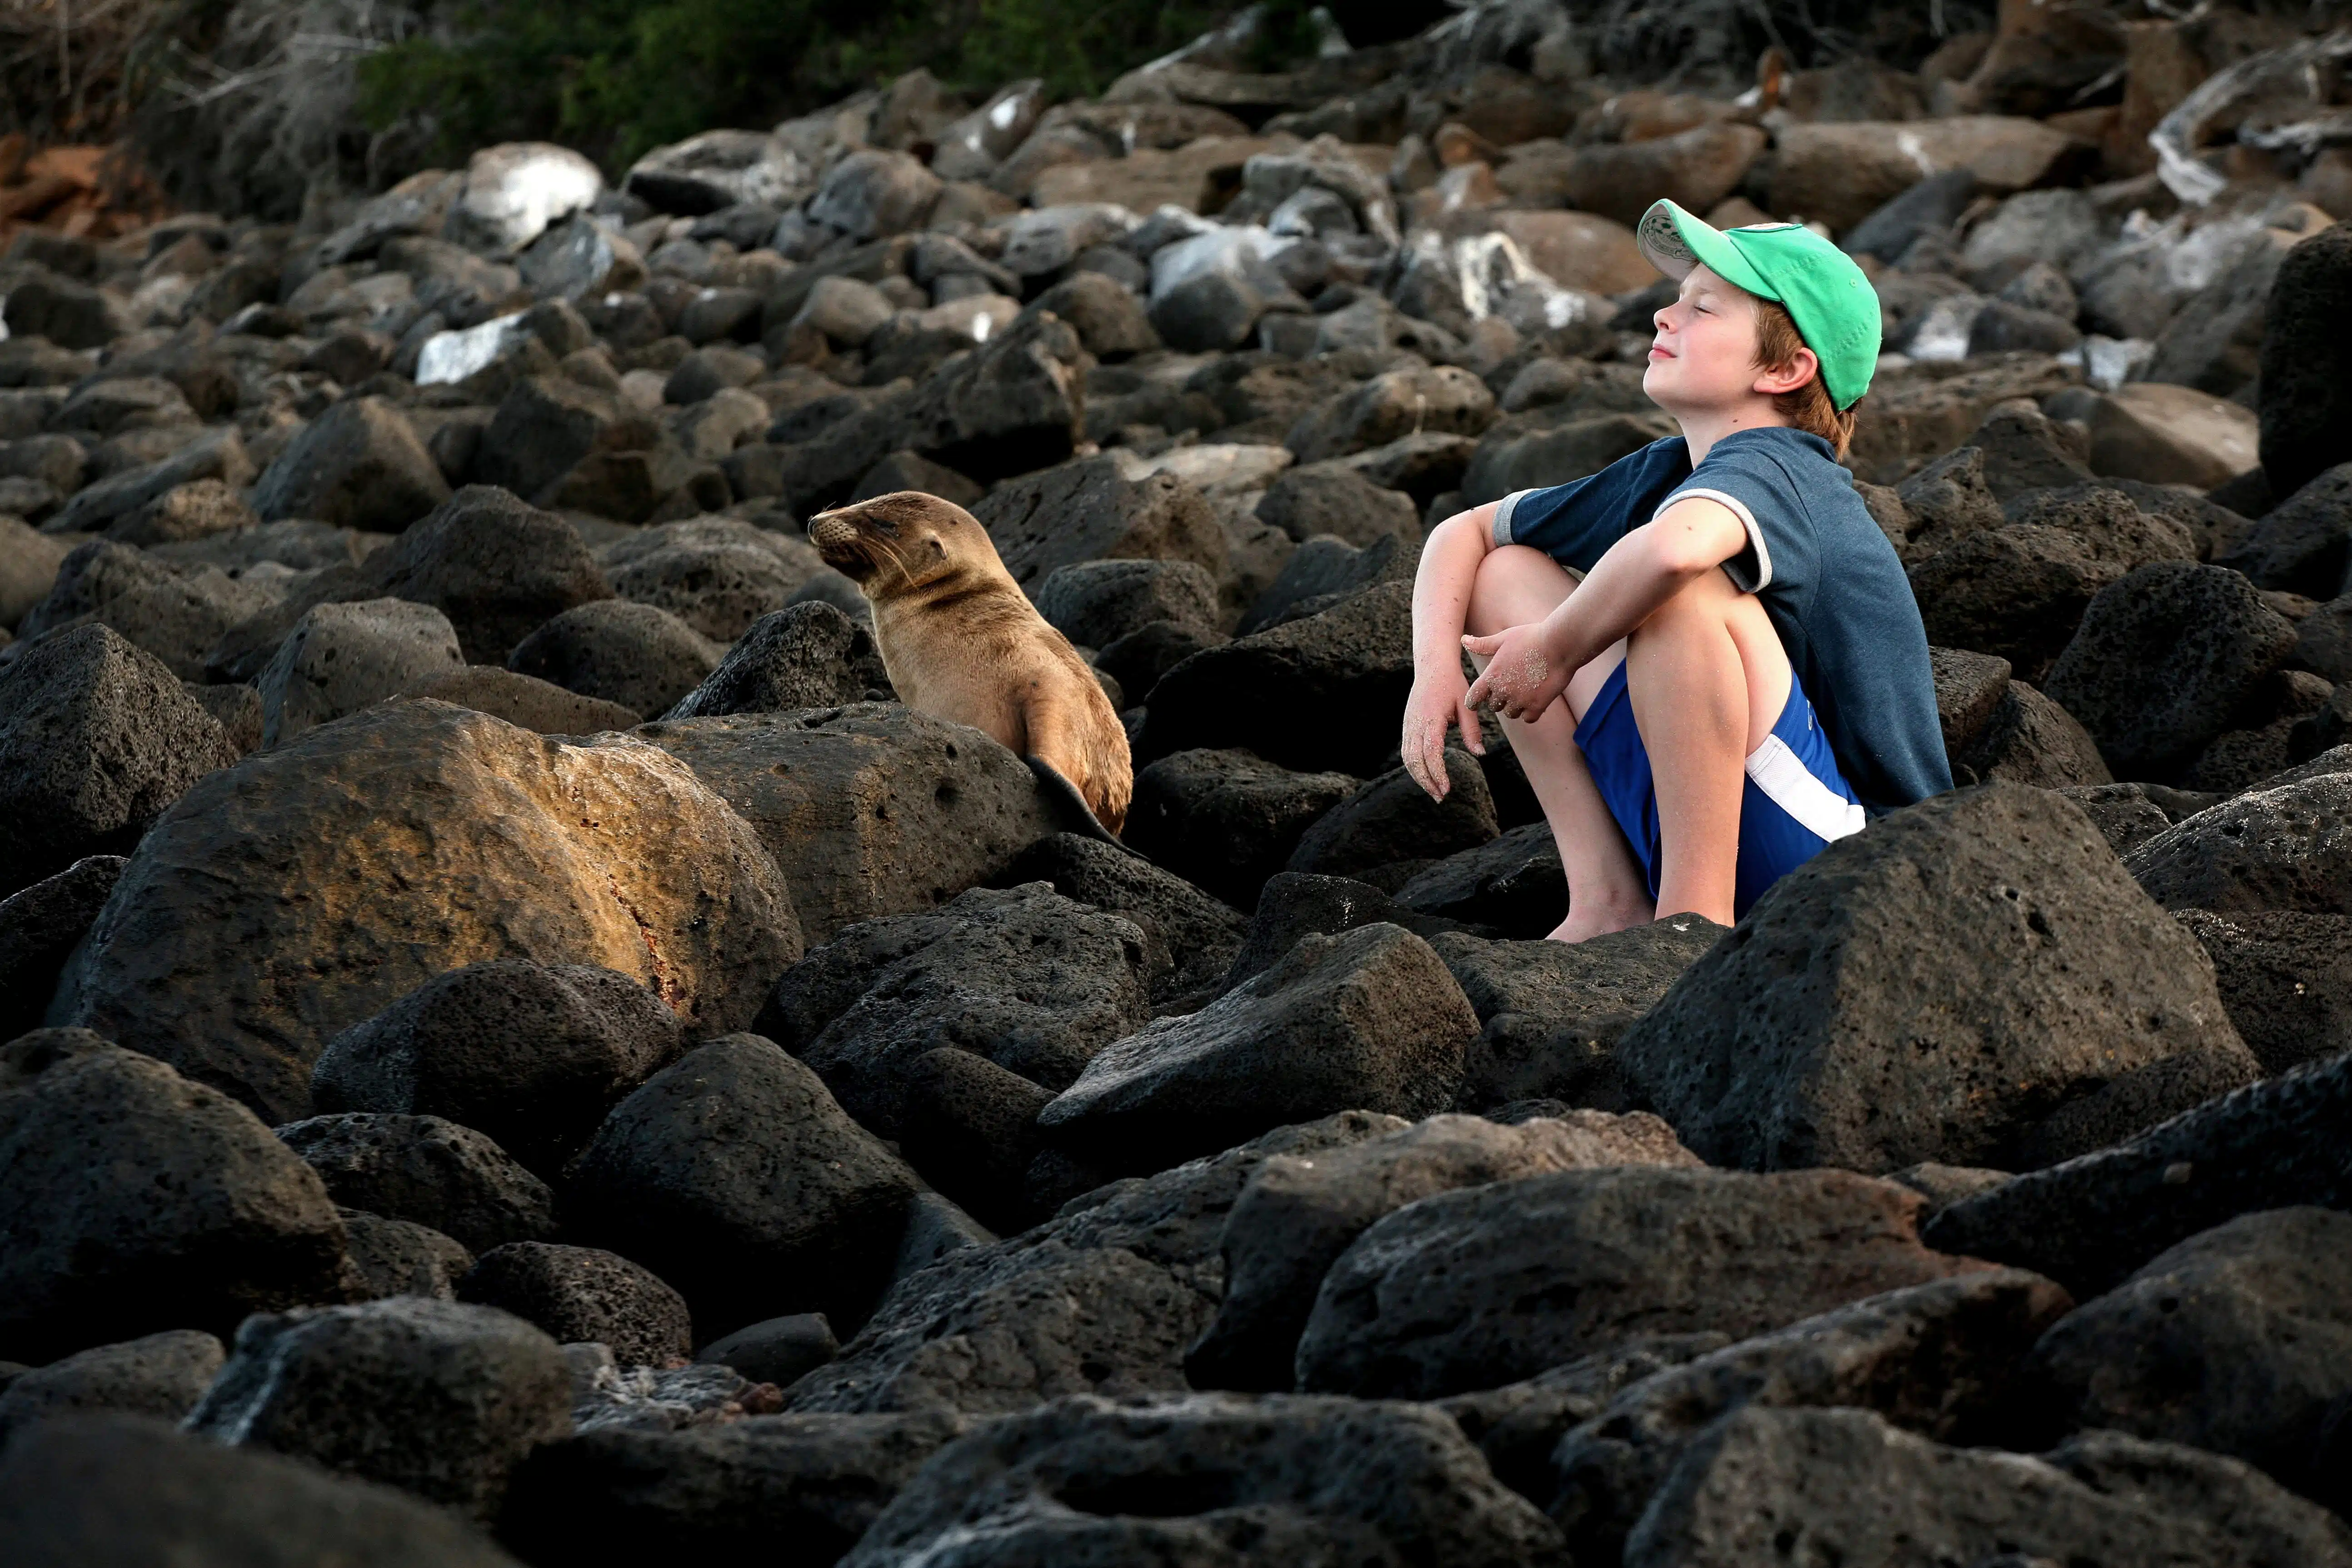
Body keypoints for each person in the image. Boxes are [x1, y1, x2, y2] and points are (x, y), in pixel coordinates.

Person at [1401, 198, 1950, 942]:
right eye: (1675, 300)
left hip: (1856, 870)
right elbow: (1462, 532)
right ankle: (1607, 904)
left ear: (1788, 370)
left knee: (1681, 594)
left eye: (1704, 308)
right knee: (1506, 572)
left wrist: (1553, 650)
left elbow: (1673, 553)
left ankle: (1688, 926)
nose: (1664, 317)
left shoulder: (1782, 468)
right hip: (1748, 821)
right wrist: (1433, 669)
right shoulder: (1668, 473)